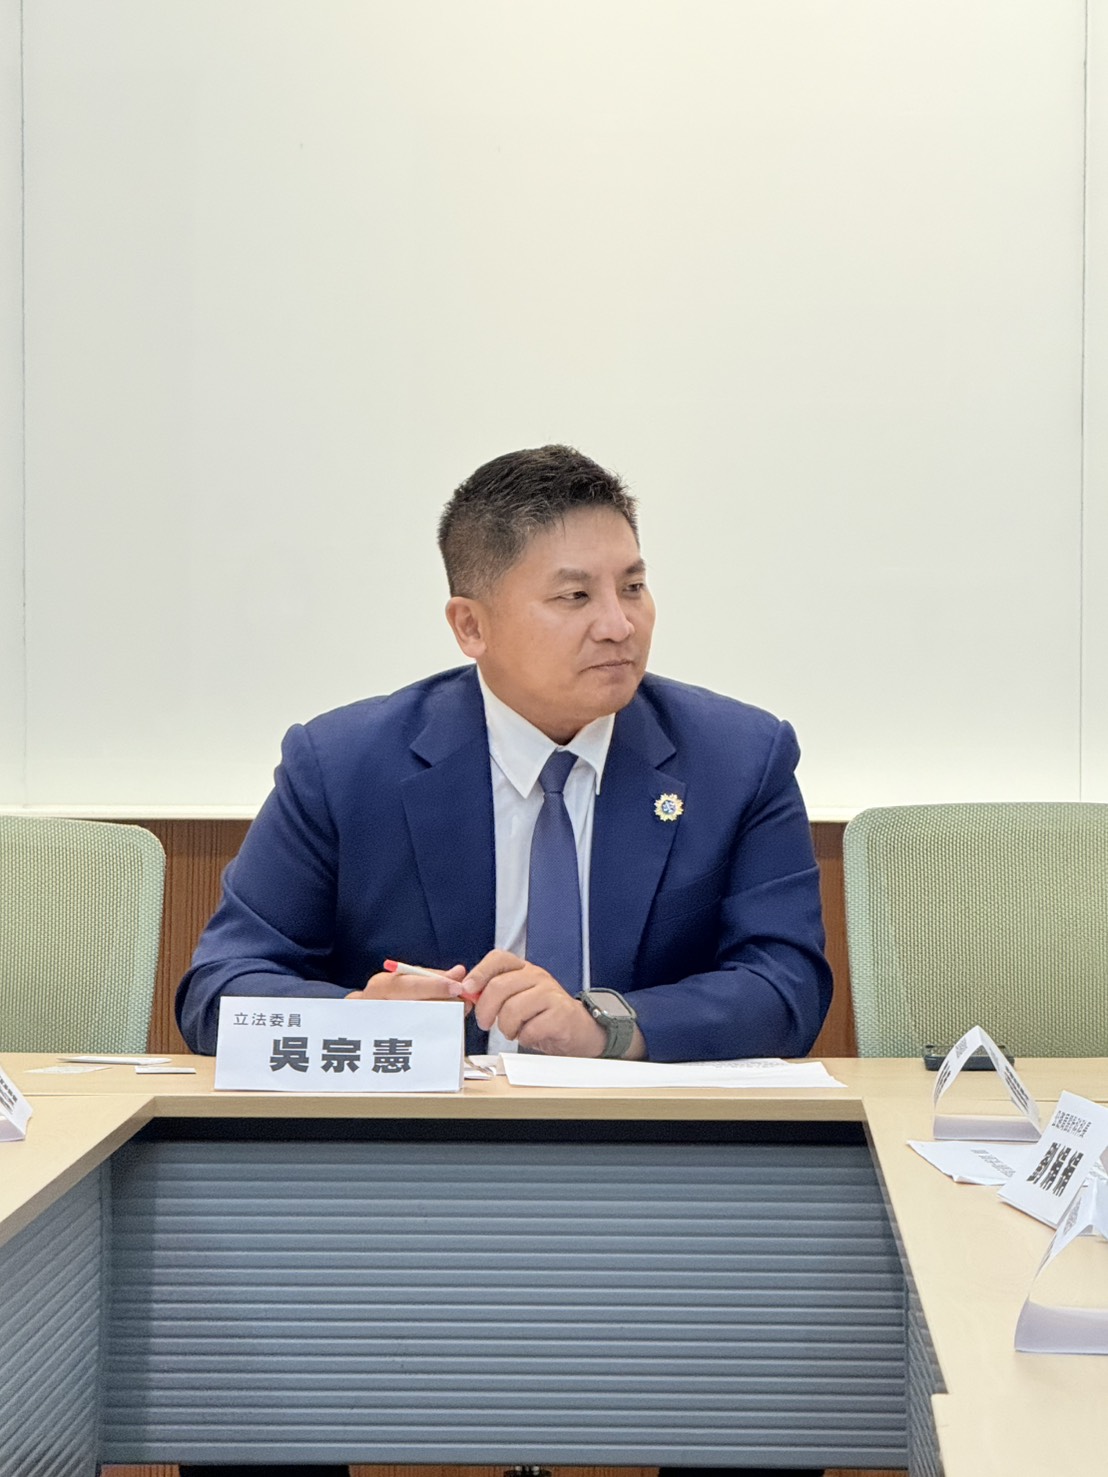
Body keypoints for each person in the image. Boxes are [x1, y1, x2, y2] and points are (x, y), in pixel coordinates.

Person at [175, 444, 832, 1477]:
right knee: (230, 1376)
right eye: (574, 596)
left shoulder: (737, 756)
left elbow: (785, 985)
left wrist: (605, 1023)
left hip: (661, 1186)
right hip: (397, 1186)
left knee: (771, 1377)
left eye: (632, 585)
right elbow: (219, 988)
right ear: (469, 625)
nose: (619, 623)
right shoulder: (344, 763)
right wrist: (361, 1020)